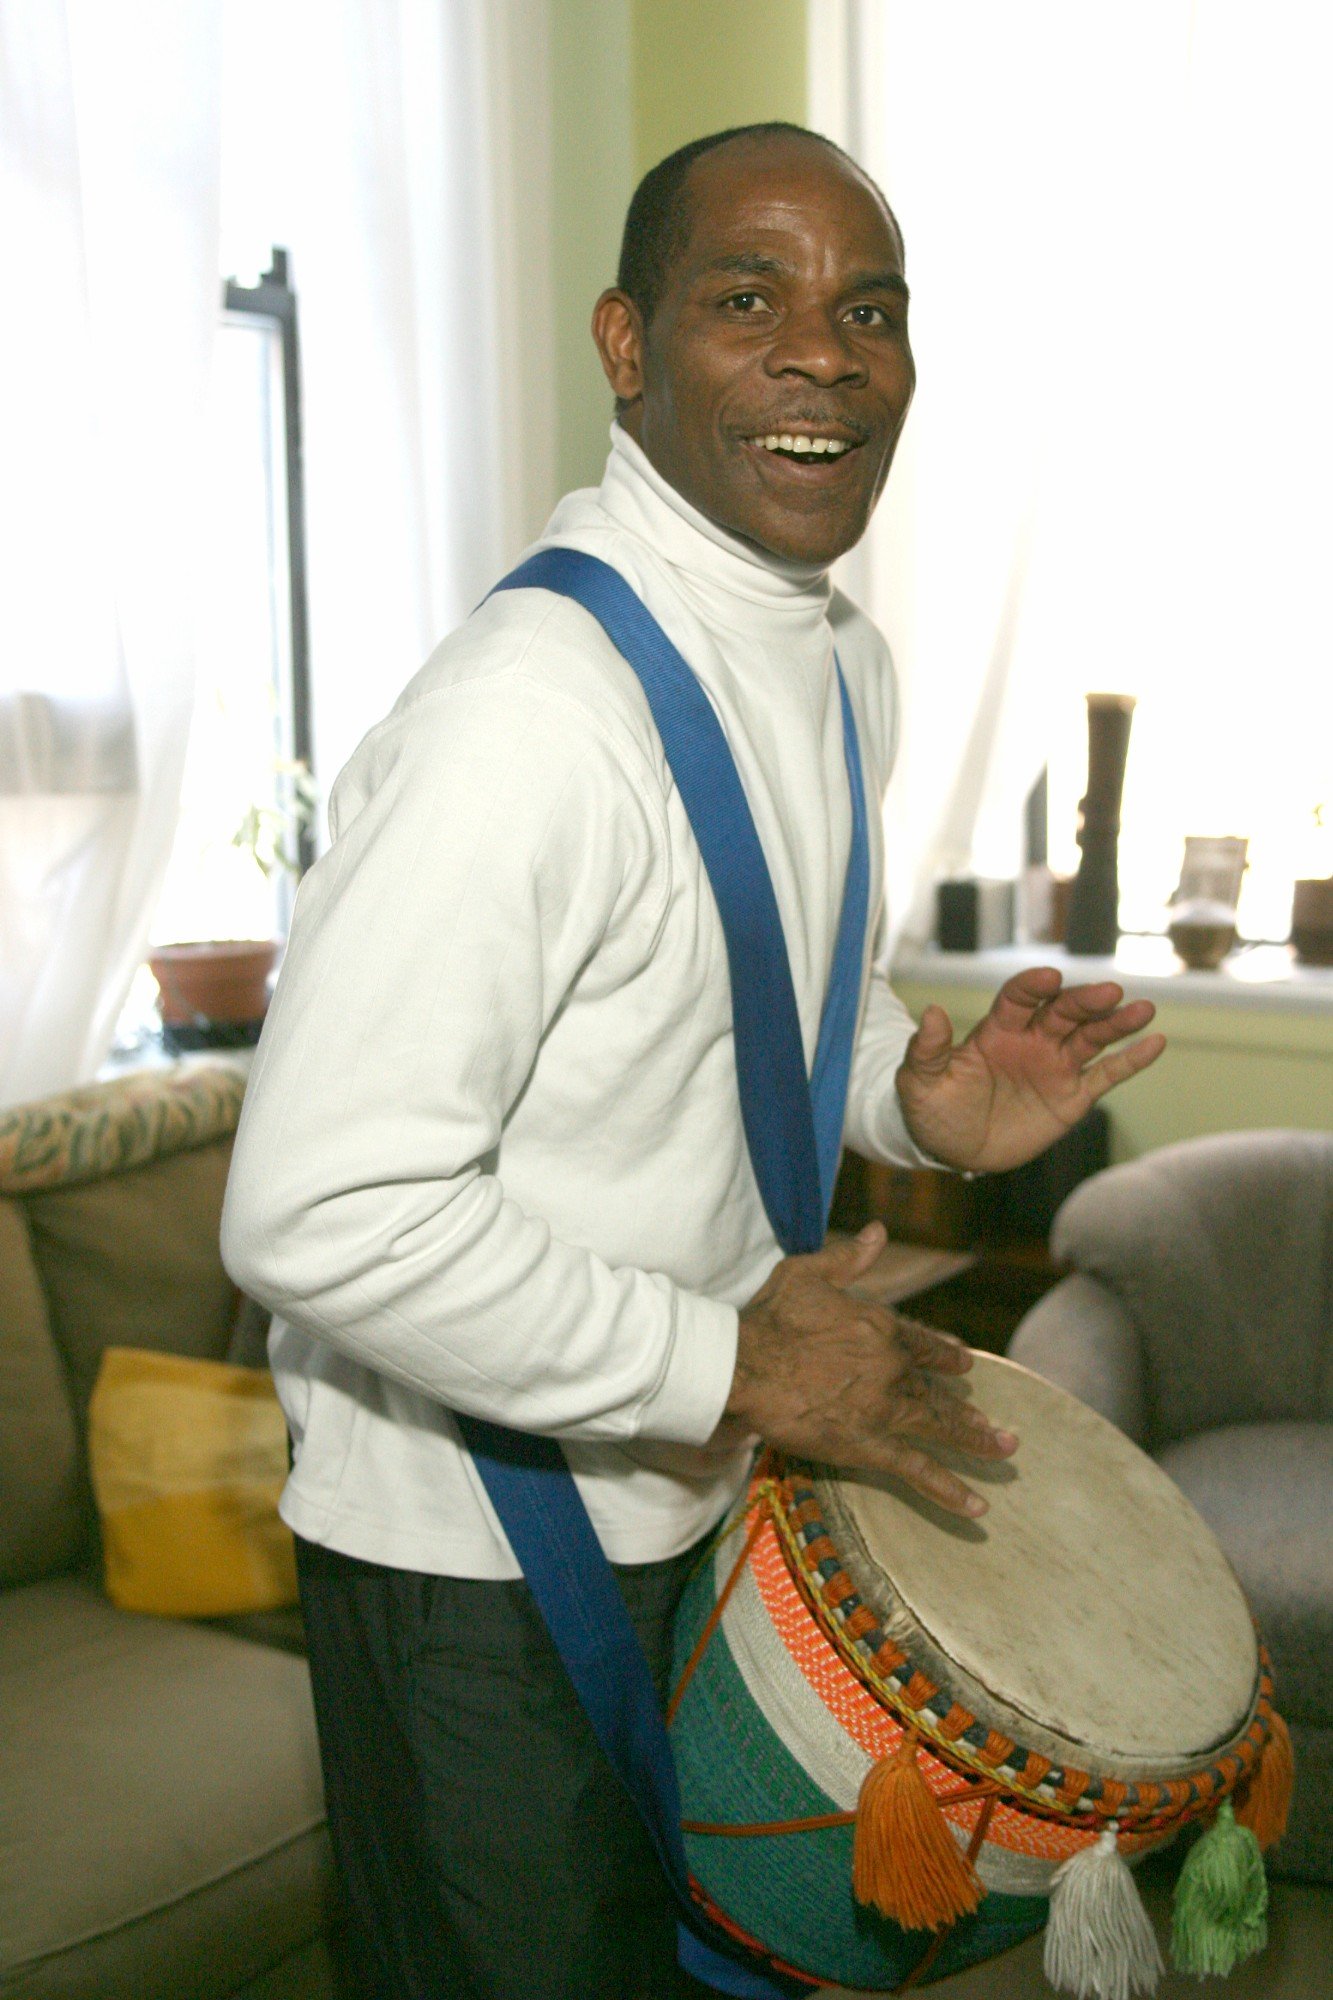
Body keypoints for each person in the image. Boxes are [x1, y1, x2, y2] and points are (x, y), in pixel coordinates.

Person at [221, 122, 1164, 2000]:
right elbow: (319, 1209)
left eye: (867, 309)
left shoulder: (837, 665)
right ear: (625, 346)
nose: (825, 353)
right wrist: (734, 1357)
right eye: (748, 298)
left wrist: (915, 1094)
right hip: (471, 1553)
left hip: (693, 1475)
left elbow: (759, 982)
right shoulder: (525, 726)